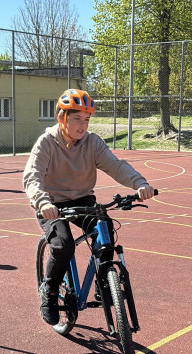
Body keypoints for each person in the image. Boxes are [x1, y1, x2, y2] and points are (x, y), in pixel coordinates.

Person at [23, 88, 155, 325]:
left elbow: (115, 166)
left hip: (83, 200)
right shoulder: (46, 143)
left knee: (105, 228)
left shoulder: (92, 142)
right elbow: (32, 176)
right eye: (77, 119)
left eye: (86, 119)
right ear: (62, 118)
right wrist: (43, 202)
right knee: (63, 246)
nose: (82, 125)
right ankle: (50, 291)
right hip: (52, 203)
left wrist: (140, 184)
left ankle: (103, 282)